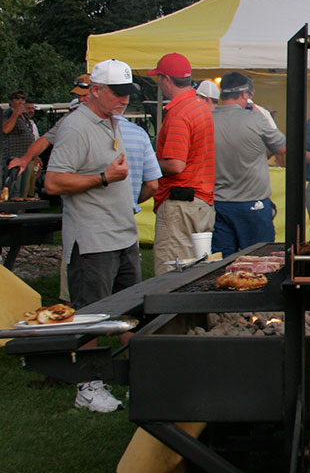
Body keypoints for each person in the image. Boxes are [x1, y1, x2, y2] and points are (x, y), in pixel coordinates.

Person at [43, 59, 143, 413]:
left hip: (121, 236)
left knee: (130, 314)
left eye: (128, 93)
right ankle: (87, 387)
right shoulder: (76, 127)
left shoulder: (109, 121)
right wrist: (103, 178)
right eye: (117, 93)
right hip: (92, 240)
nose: (124, 100)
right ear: (95, 90)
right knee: (90, 316)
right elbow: (53, 182)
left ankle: (137, 381)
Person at [148, 52, 215, 274]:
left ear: (167, 80)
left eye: (159, 78)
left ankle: (173, 311)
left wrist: (148, 163)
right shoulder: (200, 106)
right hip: (200, 202)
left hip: (180, 205)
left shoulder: (179, 112)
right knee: (194, 273)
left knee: (172, 275)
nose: (158, 83)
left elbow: (176, 165)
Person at [211, 72, 286, 256]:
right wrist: (263, 116)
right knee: (259, 260)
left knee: (221, 262)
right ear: (245, 94)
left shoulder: (207, 118)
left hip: (218, 203)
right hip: (253, 203)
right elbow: (282, 147)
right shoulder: (256, 119)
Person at [8, 75, 90, 172]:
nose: (80, 100)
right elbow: (46, 139)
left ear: (96, 92)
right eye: (79, 96)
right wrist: (26, 159)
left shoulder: (110, 116)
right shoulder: (71, 117)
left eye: (84, 95)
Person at [3, 91, 36, 172]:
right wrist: (16, 114)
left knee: (27, 184)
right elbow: (5, 129)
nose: (20, 101)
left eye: (23, 99)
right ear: (11, 101)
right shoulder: (7, 113)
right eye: (17, 98)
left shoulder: (25, 116)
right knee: (15, 184)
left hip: (27, 158)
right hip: (13, 158)